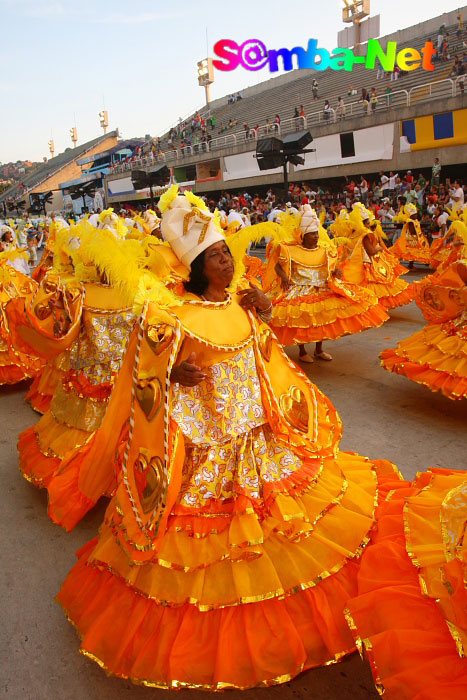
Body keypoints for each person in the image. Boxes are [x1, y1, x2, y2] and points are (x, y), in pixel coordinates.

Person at [56, 186, 404, 690]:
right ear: (196, 269)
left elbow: (264, 357)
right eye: (217, 256)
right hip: (209, 445)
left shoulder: (242, 302)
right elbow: (144, 367)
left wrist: (264, 310)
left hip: (259, 437)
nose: (227, 260)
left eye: (226, 252)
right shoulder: (172, 316)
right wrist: (175, 376)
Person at [263, 205, 388, 363]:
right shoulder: (290, 250)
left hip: (321, 287)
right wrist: (285, 278)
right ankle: (302, 351)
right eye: (312, 234)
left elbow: (330, 268)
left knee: (321, 319)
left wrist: (336, 272)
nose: (316, 237)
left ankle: (318, 350)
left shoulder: (324, 249)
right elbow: (277, 267)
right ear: (303, 236)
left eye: (316, 233)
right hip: (299, 290)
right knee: (302, 321)